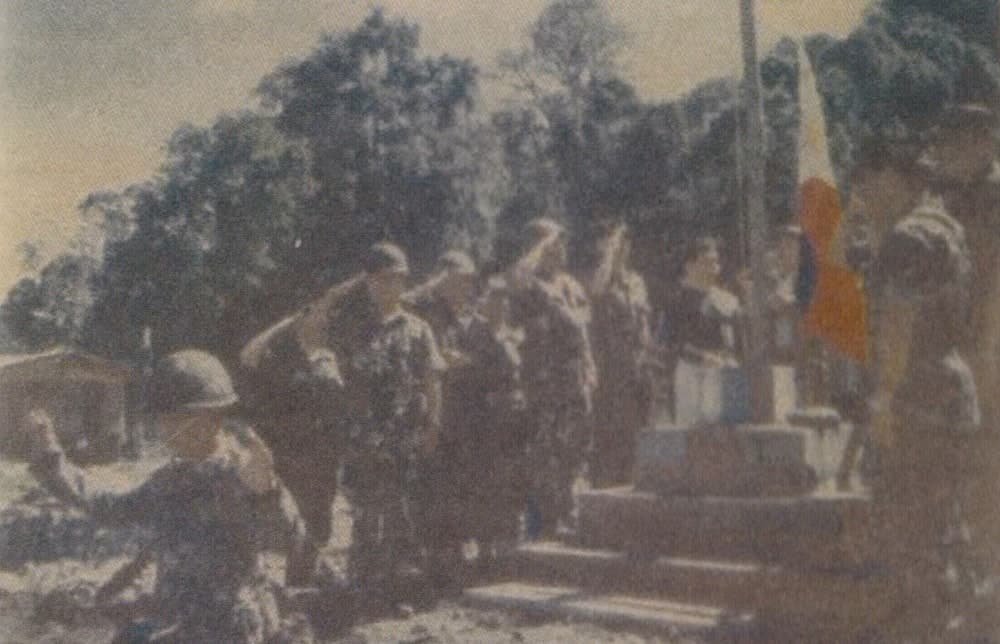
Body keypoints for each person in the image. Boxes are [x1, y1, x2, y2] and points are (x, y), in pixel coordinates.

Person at [25, 351, 314, 643]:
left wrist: (267, 493)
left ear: (211, 419)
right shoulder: (169, 480)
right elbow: (109, 507)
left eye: (176, 420)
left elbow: (292, 543)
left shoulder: (243, 473)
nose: (165, 432)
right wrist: (52, 460)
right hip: (176, 625)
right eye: (164, 420)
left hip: (231, 630)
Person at [866, 196, 981, 641]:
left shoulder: (908, 236)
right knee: (948, 527)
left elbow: (899, 318)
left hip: (918, 397)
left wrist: (884, 397)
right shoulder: (952, 235)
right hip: (954, 388)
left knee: (910, 534)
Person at [342, 242, 447, 597]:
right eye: (382, 279)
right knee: (365, 516)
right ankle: (362, 590)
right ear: (369, 282)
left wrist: (433, 424)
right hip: (364, 441)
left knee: (404, 514)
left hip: (405, 438)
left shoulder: (418, 329)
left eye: (397, 279)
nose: (390, 286)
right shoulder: (353, 329)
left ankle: (401, 590)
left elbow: (432, 380)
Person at [508, 218, 597, 539]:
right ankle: (547, 524)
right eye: (553, 244)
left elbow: (582, 328)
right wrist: (540, 245)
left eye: (562, 243)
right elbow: (518, 276)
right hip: (543, 386)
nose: (560, 249)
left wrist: (589, 364)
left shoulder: (570, 285)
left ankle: (567, 514)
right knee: (546, 455)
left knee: (576, 449)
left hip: (574, 382)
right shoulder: (528, 283)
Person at [586, 222, 653, 487]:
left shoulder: (636, 281)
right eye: (614, 241)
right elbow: (597, 290)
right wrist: (609, 252)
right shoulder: (598, 276)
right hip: (610, 373)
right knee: (609, 444)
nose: (621, 247)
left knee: (638, 439)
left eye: (625, 241)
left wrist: (646, 353)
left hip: (637, 370)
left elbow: (644, 321)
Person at [662, 236, 745, 426]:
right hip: (691, 374)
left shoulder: (729, 300)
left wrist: (731, 360)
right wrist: (703, 358)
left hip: (724, 373)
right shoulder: (676, 300)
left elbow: (739, 342)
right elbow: (672, 343)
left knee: (725, 432)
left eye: (715, 262)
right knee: (692, 434)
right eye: (706, 262)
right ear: (689, 266)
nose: (713, 267)